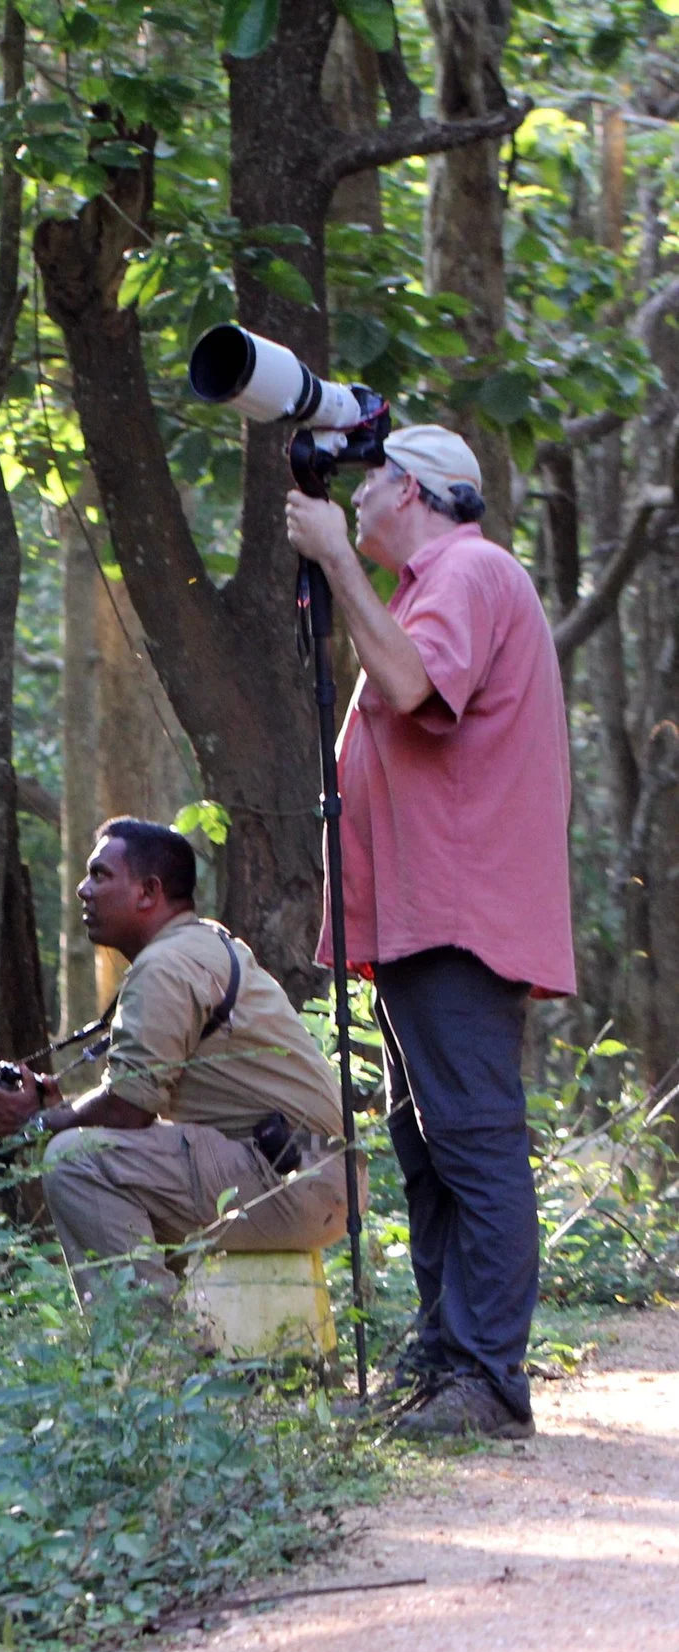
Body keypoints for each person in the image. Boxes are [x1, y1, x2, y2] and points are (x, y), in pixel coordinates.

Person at [286, 424, 573, 1442]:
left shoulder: (463, 570)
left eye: (368, 489)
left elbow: (411, 688)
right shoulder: (426, 587)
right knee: (428, 1144)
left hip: (457, 914)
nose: (354, 505)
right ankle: (447, 1357)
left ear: (409, 489)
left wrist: (330, 559)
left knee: (472, 1141)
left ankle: (486, 1378)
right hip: (422, 916)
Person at [0, 818, 350, 1311]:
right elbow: (138, 1104)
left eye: (100, 875)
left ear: (149, 892)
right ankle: (201, 1349)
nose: (83, 890)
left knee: (76, 1161)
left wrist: (32, 1123)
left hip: (293, 1180)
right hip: (311, 1176)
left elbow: (130, 1110)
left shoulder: (166, 965)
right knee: (99, 1152)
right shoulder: (202, 944)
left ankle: (150, 1361)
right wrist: (60, 1108)